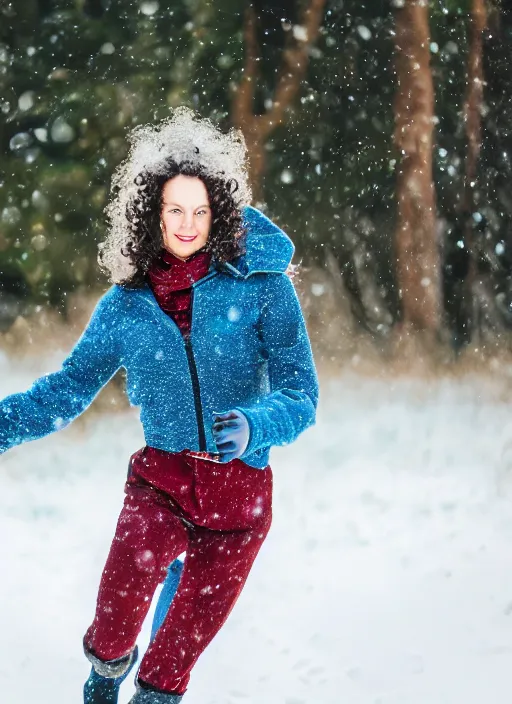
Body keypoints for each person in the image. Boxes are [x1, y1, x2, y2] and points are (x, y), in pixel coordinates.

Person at [0, 107, 319, 704]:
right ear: (153, 213)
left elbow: (302, 394)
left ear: (218, 211)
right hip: (162, 484)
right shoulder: (126, 307)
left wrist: (256, 425)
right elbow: (67, 390)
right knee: (115, 625)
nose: (189, 224)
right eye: (176, 210)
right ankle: (104, 676)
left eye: (200, 211)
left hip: (238, 502)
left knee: (167, 674)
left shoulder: (262, 287)